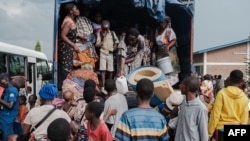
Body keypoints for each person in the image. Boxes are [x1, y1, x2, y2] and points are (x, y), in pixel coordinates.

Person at [208, 70, 249, 141]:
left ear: (229, 79)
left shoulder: (222, 93)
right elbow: (244, 118)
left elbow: (215, 114)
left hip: (221, 129)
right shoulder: (244, 97)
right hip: (236, 130)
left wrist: (210, 133)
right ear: (241, 82)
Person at [174, 76, 208, 141]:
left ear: (188, 88)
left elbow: (204, 134)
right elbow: (181, 118)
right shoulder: (184, 102)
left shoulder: (201, 109)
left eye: (182, 84)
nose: (180, 86)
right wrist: (170, 126)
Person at [58, 3, 80, 90]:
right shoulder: (68, 22)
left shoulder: (71, 20)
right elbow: (63, 35)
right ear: (71, 11)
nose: (78, 10)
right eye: (76, 9)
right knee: (65, 70)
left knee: (68, 68)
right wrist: (73, 45)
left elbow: (70, 34)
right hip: (65, 50)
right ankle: (63, 89)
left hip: (69, 49)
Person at [155, 16, 180, 85]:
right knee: (162, 67)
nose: (162, 24)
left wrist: (168, 46)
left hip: (169, 50)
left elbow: (174, 40)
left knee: (170, 67)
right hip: (161, 51)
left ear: (167, 23)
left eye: (164, 22)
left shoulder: (169, 30)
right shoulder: (157, 30)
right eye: (161, 22)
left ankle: (171, 84)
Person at [95, 20, 119, 94]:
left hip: (110, 53)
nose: (105, 30)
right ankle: (103, 85)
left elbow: (116, 41)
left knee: (110, 70)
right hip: (103, 52)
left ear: (109, 27)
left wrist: (114, 47)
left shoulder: (112, 33)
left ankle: (110, 84)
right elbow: (97, 45)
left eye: (107, 29)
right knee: (103, 70)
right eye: (104, 29)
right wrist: (102, 39)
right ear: (101, 27)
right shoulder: (100, 33)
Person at [0, 73, 19, 141]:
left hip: (7, 119)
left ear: (7, 80)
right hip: (3, 118)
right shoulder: (6, 89)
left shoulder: (12, 90)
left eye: (1, 82)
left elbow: (10, 105)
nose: (0, 84)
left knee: (7, 137)